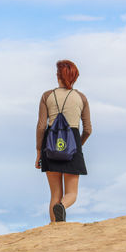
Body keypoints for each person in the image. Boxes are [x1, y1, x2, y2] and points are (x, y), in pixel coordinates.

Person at [36, 60, 92, 222]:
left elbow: (41, 126)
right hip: (73, 144)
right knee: (71, 194)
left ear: (58, 76)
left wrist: (39, 151)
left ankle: (54, 229)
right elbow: (88, 129)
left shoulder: (47, 96)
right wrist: (76, 147)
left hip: (50, 145)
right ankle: (62, 206)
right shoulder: (81, 98)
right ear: (75, 77)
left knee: (54, 193)